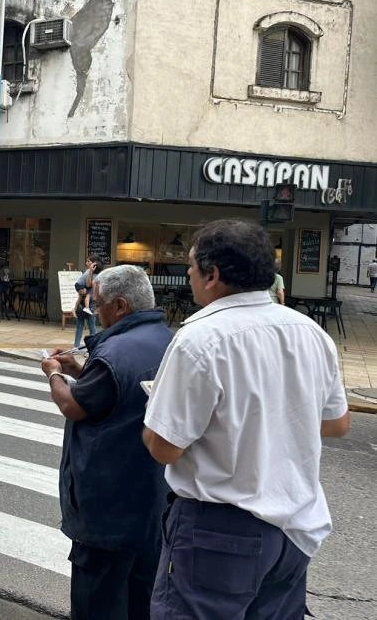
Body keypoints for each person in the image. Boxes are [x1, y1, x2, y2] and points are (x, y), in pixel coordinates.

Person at [142, 219, 350, 619]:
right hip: (294, 528)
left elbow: (164, 447)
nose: (187, 275)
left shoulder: (200, 338)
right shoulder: (310, 333)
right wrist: (274, 415)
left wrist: (157, 411)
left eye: (190, 266)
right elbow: (338, 423)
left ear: (213, 275)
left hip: (218, 531)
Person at [41, 265, 173, 620]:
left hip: (107, 511)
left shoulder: (115, 351)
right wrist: (81, 370)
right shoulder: (168, 342)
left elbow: (73, 405)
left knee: (96, 604)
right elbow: (122, 389)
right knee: (141, 603)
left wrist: (53, 372)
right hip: (152, 502)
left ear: (120, 306)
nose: (93, 311)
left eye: (96, 304)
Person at [72, 260, 100, 348]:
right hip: (85, 304)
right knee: (87, 326)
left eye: (89, 261)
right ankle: (79, 346)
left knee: (89, 327)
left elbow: (88, 285)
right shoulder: (88, 273)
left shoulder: (93, 274)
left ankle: (81, 346)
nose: (87, 263)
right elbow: (85, 286)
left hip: (88, 304)